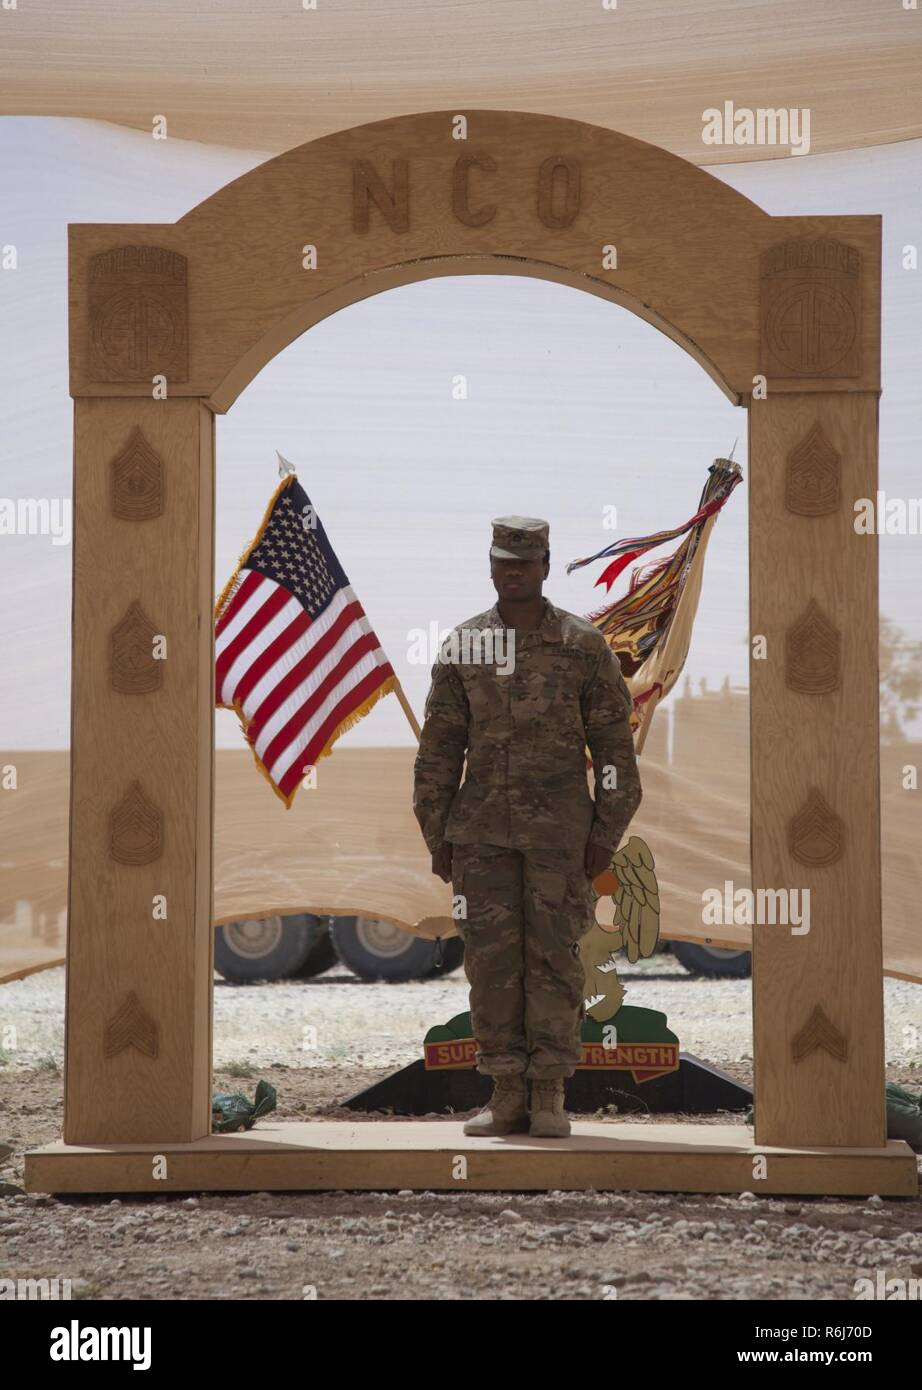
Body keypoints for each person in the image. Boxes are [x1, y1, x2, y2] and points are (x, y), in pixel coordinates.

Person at [412, 515, 642, 1138]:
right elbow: (439, 751)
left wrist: (605, 832)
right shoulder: (464, 646)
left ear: (544, 564)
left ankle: (549, 1096)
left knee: (556, 960)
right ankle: (506, 1091)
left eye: (525, 562)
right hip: (480, 836)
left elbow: (616, 750)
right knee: (490, 965)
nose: (513, 572)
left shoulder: (581, 645)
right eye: (503, 562)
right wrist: (439, 836)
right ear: (490, 567)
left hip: (561, 837)